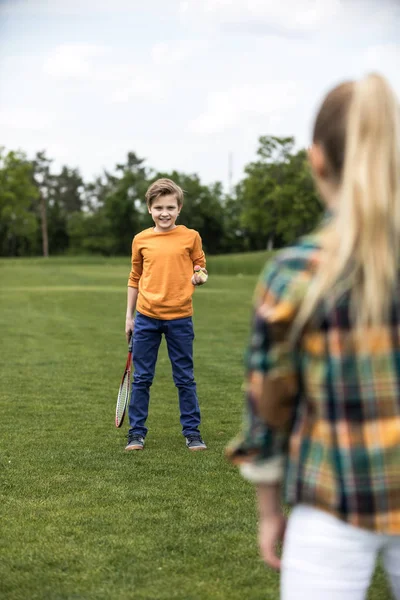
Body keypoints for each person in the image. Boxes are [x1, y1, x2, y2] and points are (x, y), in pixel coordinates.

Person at [226, 73, 400, 600]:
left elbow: (269, 407)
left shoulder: (294, 271)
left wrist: (268, 510)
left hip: (329, 504)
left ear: (316, 160)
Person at [124, 178, 208, 452]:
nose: (164, 213)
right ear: (149, 208)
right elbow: (135, 278)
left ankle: (192, 433)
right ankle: (136, 434)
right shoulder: (141, 239)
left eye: (170, 207)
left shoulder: (190, 237)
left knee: (184, 377)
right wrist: (129, 317)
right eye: (158, 207)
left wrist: (199, 276)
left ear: (179, 208)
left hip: (180, 318)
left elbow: (200, 266)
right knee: (142, 378)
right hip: (146, 317)